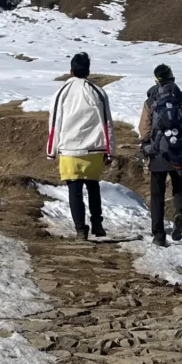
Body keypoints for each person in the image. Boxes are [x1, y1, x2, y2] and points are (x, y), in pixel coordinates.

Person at [46, 52, 116, 240]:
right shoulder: (98, 92)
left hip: (69, 149)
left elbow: (55, 123)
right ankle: (97, 224)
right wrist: (110, 150)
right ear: (88, 71)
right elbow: (107, 123)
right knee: (93, 187)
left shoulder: (61, 93)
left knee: (74, 190)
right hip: (94, 148)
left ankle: (80, 230)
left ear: (71, 71)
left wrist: (51, 151)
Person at [138, 64, 182, 247]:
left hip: (158, 153)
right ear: (173, 78)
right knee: (179, 187)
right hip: (180, 151)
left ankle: (158, 234)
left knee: (157, 193)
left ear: (156, 80)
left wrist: (147, 144)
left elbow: (144, 128)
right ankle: (179, 213)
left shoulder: (151, 101)